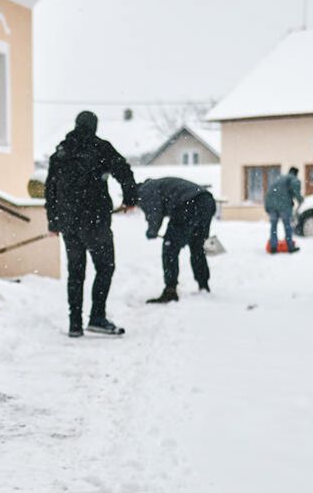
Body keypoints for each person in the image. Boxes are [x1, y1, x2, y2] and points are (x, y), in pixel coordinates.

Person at [44, 111, 138, 337]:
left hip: (68, 223)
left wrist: (54, 222)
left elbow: (50, 189)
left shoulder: (60, 152)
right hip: (95, 219)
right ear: (94, 126)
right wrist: (130, 199)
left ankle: (74, 324)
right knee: (105, 267)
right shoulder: (101, 148)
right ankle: (97, 316)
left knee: (76, 272)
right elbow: (123, 170)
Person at [138, 177, 217, 303]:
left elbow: (155, 212)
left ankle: (170, 290)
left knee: (170, 248)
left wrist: (152, 231)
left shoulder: (145, 190)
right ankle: (203, 285)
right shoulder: (157, 185)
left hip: (188, 204)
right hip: (207, 201)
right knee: (197, 247)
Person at [265, 166, 302, 254]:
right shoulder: (293, 178)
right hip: (283, 206)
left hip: (271, 204)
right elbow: (296, 189)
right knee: (287, 225)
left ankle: (273, 247)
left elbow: (270, 191)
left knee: (273, 226)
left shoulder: (279, 178)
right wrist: (301, 200)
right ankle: (290, 247)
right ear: (296, 173)